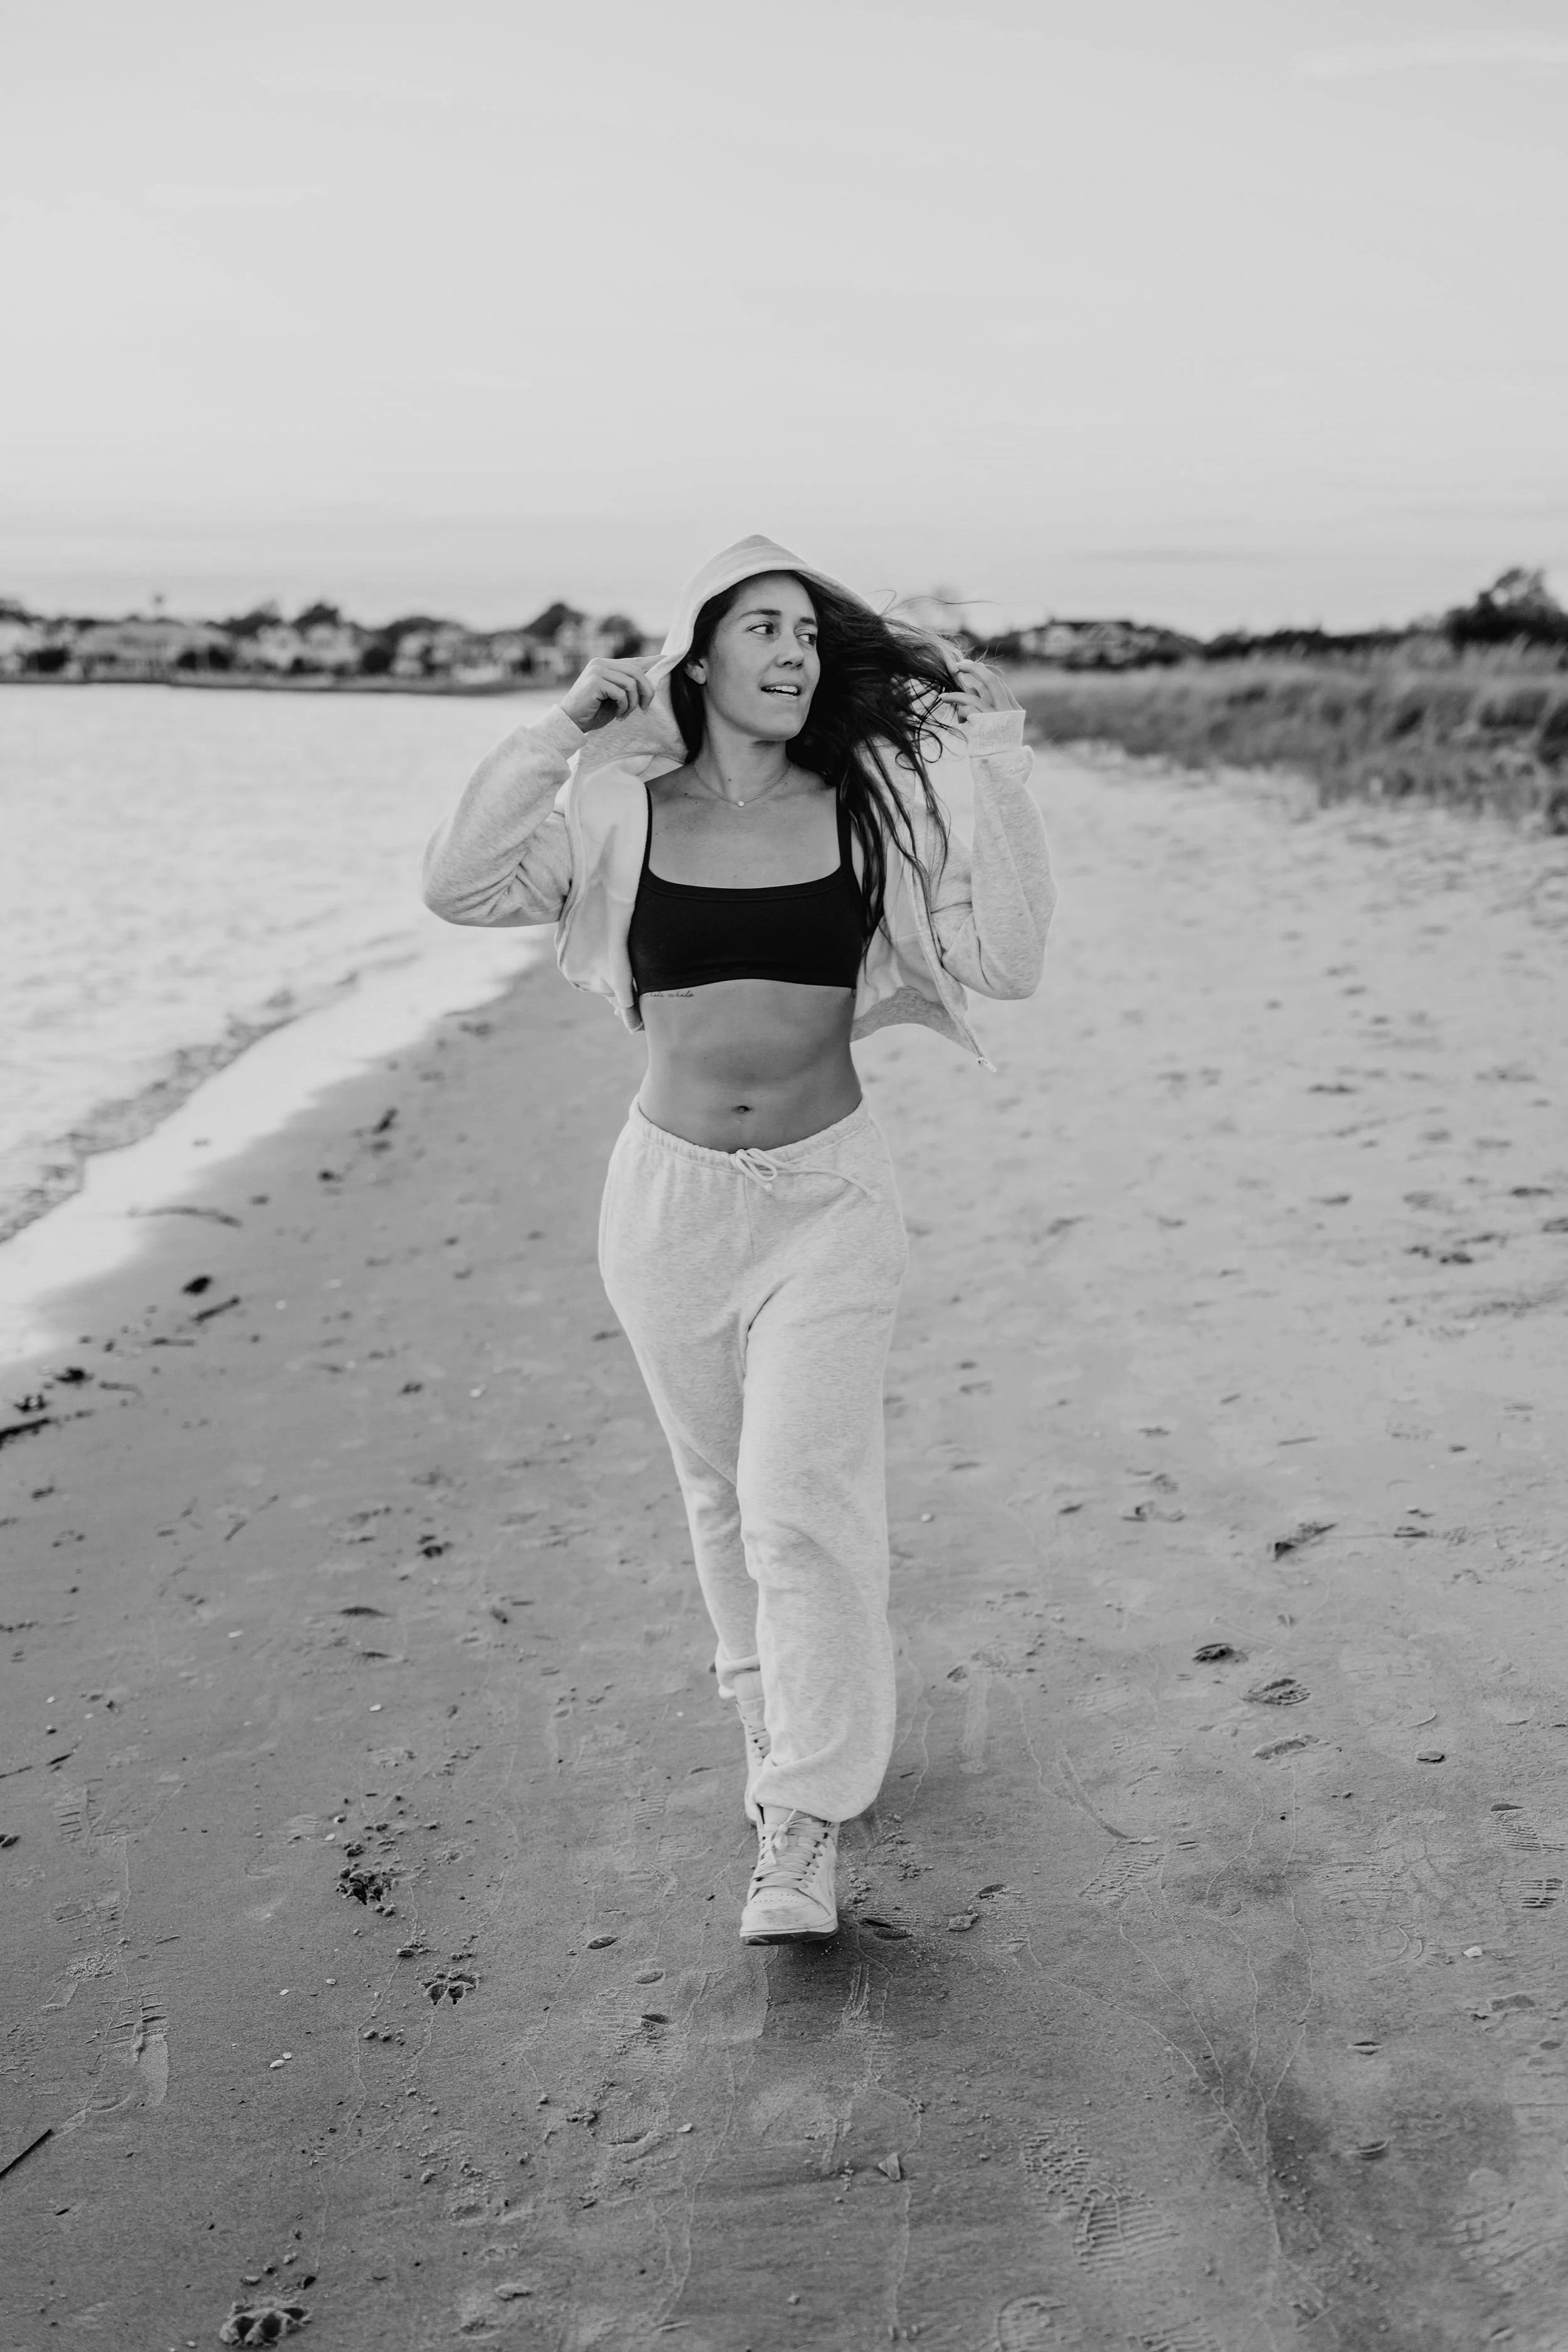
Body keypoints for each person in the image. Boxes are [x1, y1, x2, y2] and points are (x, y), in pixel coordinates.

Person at [422, 533, 1054, 1944]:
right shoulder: (613, 811)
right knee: (719, 1502)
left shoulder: (869, 811)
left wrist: (978, 775)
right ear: (695, 657)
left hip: (827, 1198)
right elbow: (458, 886)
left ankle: (806, 1821)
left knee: (793, 1507)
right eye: (760, 628)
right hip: (666, 1204)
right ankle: (777, 1746)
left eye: (807, 636)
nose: (791, 653)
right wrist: (558, 729)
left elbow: (1007, 960)